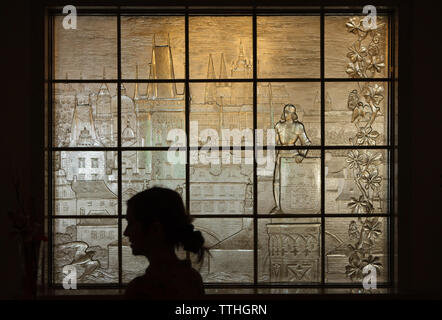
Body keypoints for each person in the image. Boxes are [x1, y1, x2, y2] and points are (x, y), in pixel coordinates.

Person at [123, 187, 206, 299]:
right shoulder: (192, 278)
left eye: (131, 223)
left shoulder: (141, 288)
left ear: (156, 229)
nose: (126, 232)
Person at [270, 104, 311, 213]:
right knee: (276, 182)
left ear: (293, 114)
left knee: (293, 182)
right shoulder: (278, 126)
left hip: (293, 155)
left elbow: (306, 143)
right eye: (285, 111)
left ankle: (294, 206)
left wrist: (302, 156)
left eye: (289, 112)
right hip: (281, 155)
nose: (286, 113)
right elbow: (274, 144)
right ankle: (278, 206)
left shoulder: (298, 126)